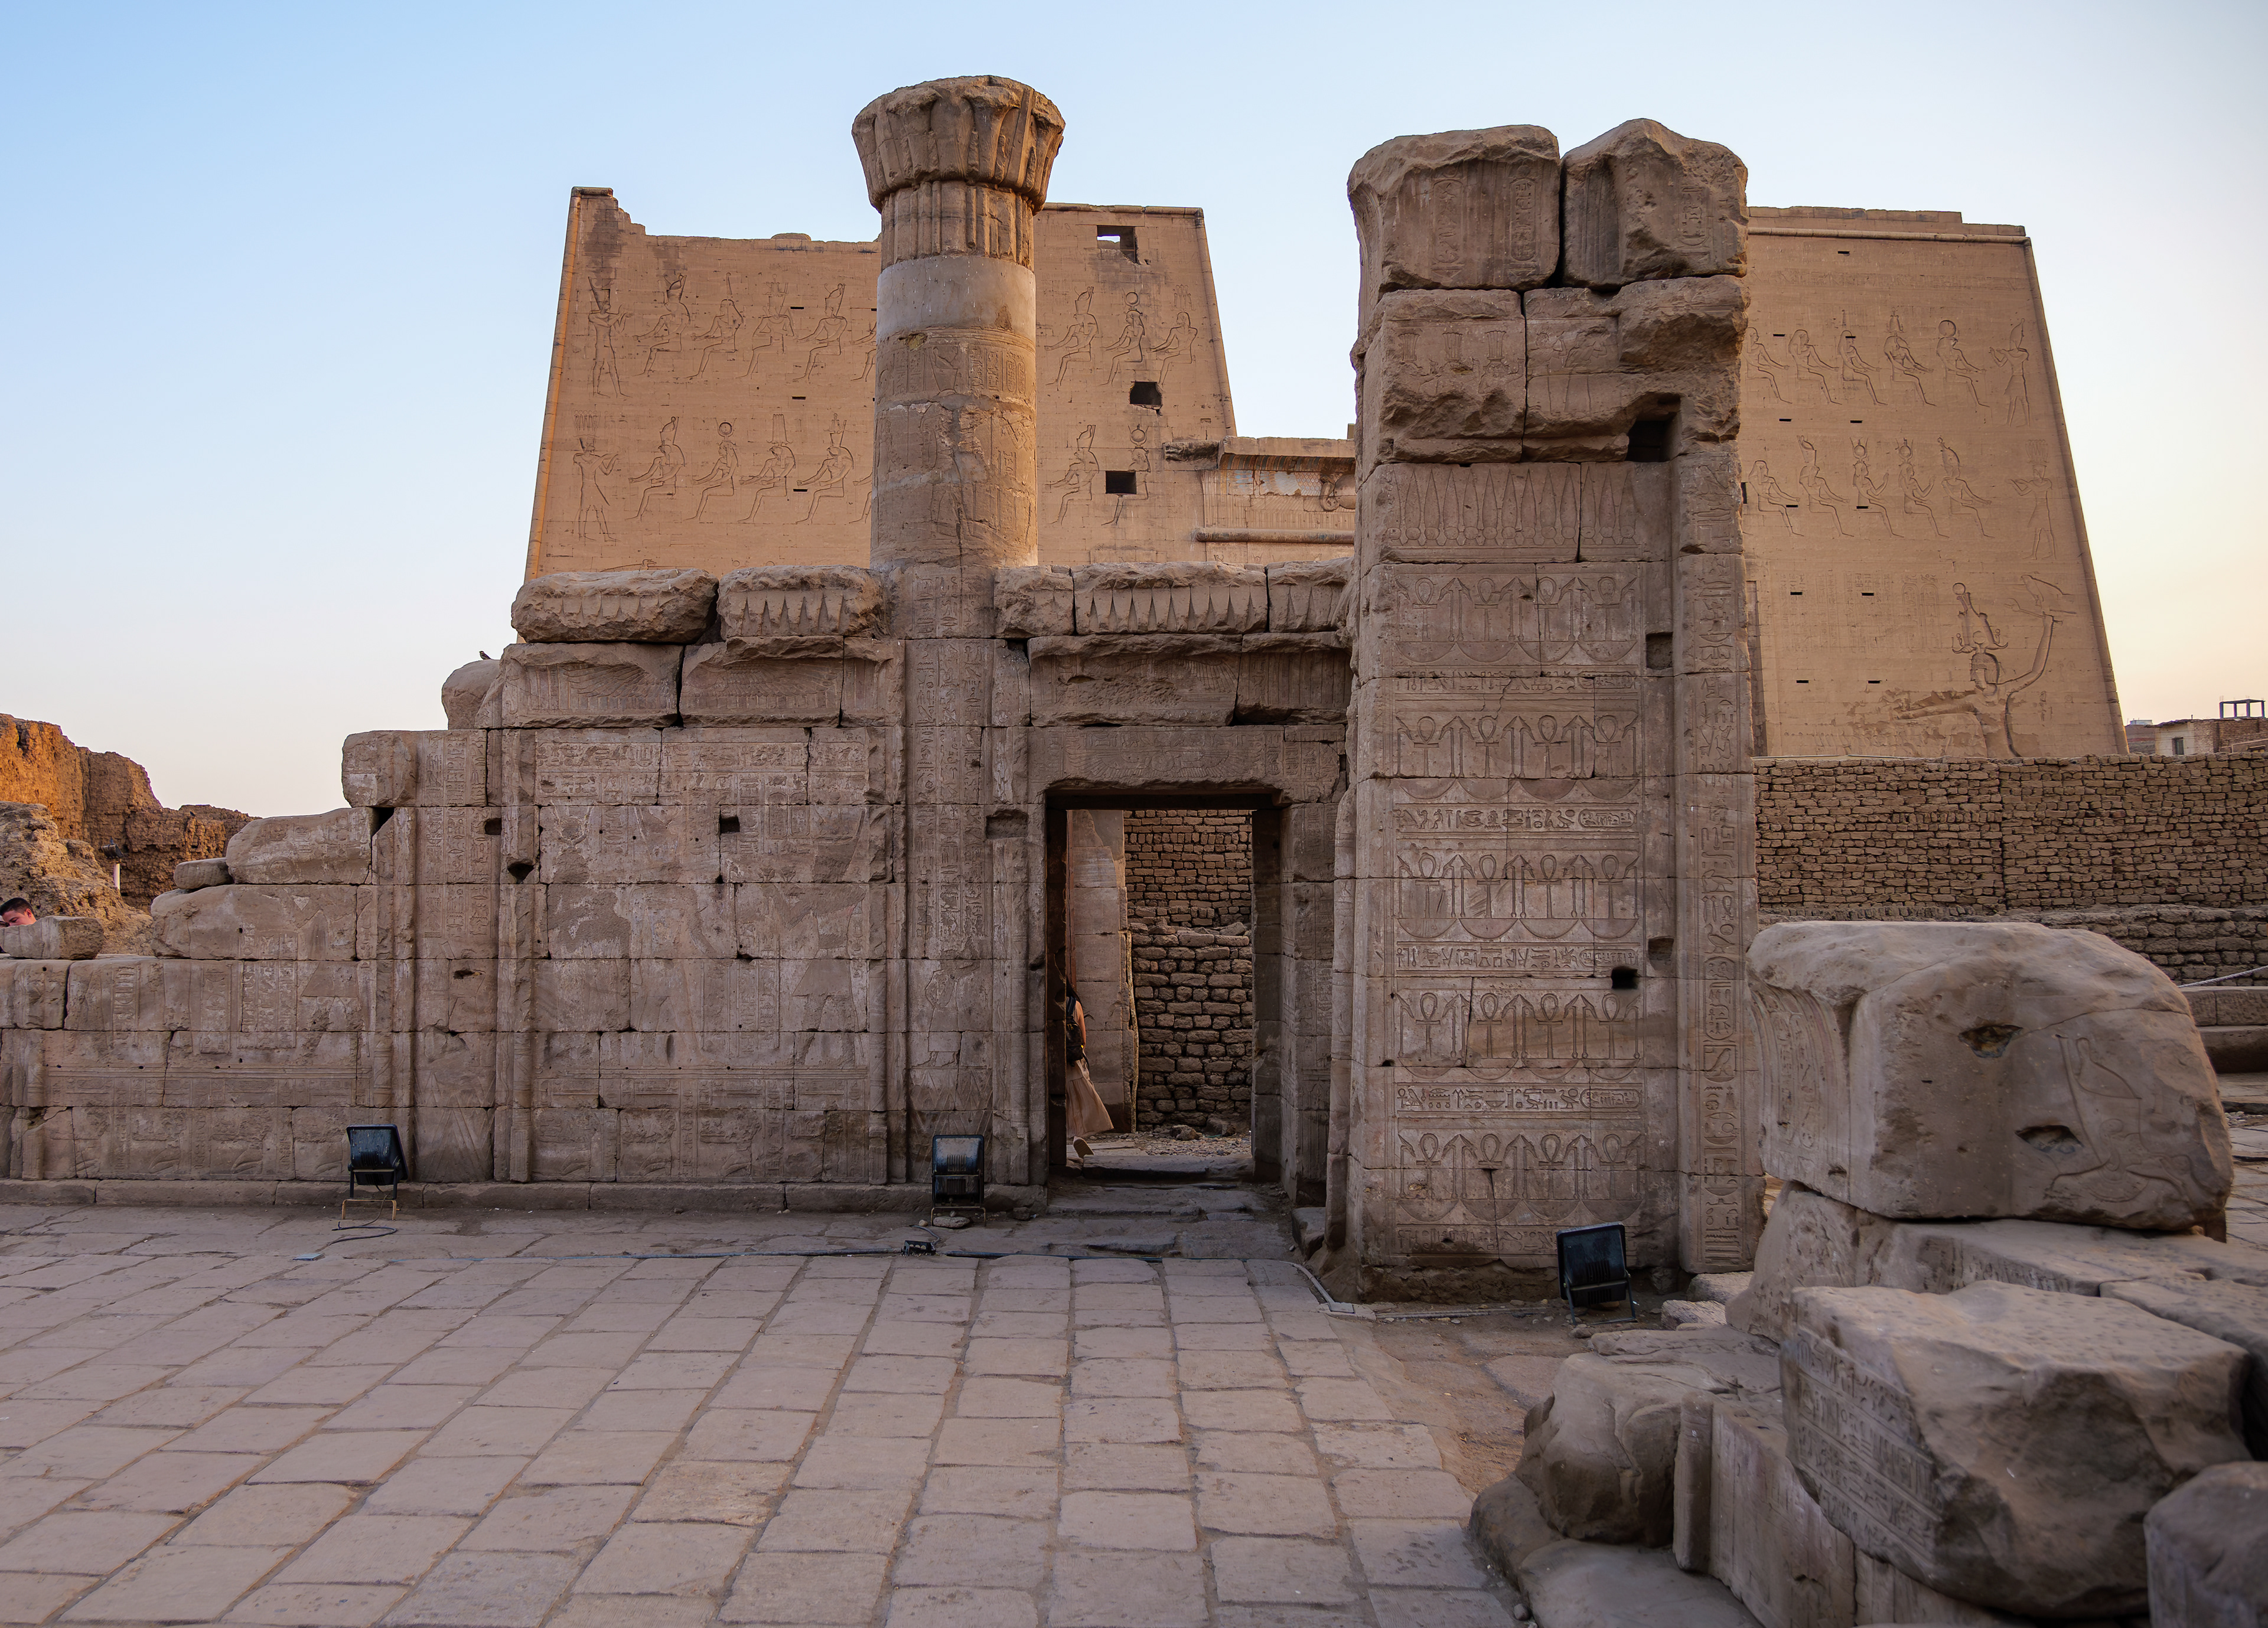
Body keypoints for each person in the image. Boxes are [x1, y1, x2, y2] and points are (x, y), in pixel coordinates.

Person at [1064, 987, 1113, 1153]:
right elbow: (1083, 1039)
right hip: (1074, 1061)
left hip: (1052, 1060)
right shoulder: (1075, 1005)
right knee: (1079, 1100)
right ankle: (1079, 1136)